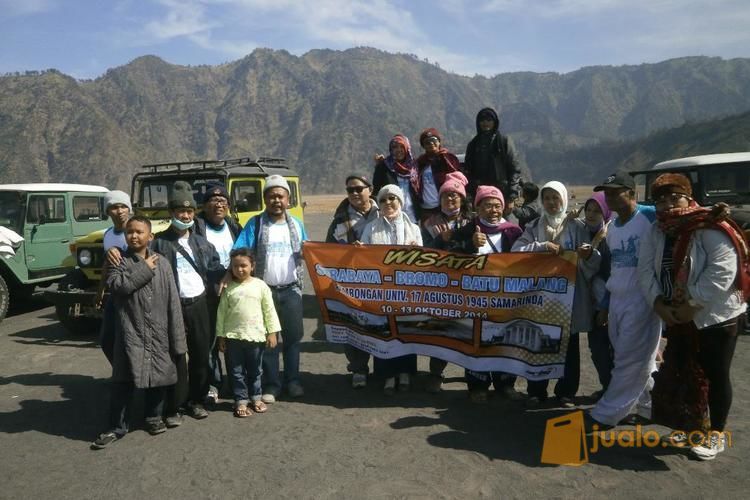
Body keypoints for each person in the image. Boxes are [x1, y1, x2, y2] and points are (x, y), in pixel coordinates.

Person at [637, 173, 747, 460]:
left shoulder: (709, 225)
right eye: (661, 200)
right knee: (686, 371)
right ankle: (691, 428)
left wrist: (692, 303)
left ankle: (715, 435)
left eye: (675, 197)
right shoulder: (657, 230)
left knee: (715, 374)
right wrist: (658, 303)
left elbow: (723, 270)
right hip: (677, 314)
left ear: (688, 196)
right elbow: (645, 269)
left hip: (715, 317)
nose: (668, 205)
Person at [91, 216, 186, 449]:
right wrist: (144, 269)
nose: (134, 236)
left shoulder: (162, 263)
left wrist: (178, 337)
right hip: (129, 332)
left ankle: (153, 417)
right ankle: (117, 426)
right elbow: (118, 287)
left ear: (150, 236)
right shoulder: (118, 262)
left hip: (159, 330)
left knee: (158, 377)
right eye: (130, 232)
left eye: (139, 232)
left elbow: (173, 300)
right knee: (123, 380)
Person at [512, 181, 601, 408]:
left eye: (556, 198)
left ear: (564, 199)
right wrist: (541, 246)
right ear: (542, 201)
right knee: (539, 342)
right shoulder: (533, 226)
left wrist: (588, 256)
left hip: (568, 297)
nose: (552, 203)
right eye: (547, 198)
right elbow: (516, 252)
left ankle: (566, 392)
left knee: (569, 346)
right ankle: (536, 390)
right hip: (542, 298)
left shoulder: (577, 226)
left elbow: (591, 262)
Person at [587, 170, 660, 430]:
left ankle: (607, 413)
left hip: (643, 300)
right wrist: (606, 305)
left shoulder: (650, 216)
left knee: (629, 358)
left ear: (632, 193)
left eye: (616, 193)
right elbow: (615, 268)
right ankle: (652, 406)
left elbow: (680, 212)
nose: (610, 198)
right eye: (607, 194)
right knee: (638, 357)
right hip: (618, 298)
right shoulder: (613, 228)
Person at [152, 181, 224, 424]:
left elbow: (216, 271)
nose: (185, 215)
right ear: (171, 213)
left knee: (201, 355)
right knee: (175, 358)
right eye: (180, 211)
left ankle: (196, 401)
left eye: (189, 211)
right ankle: (174, 407)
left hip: (200, 306)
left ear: (194, 213)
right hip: (172, 308)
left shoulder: (203, 244)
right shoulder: (158, 244)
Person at [233, 175, 308, 402]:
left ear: (288, 199)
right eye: (272, 196)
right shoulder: (255, 224)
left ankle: (293, 381)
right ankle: (272, 385)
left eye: (280, 196)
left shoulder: (296, 224)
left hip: (292, 290)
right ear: (265, 199)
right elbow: (240, 252)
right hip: (263, 292)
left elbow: (308, 250)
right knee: (268, 340)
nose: (276, 200)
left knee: (293, 339)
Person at [447, 185, 522, 403]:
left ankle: (505, 384)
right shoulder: (468, 230)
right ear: (478, 207)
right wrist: (469, 246)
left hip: (505, 299)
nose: (494, 210)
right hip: (475, 298)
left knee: (504, 340)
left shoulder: (513, 231)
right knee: (476, 342)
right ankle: (477, 386)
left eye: (497, 205)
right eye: (488, 205)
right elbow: (450, 255)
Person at [359, 184, 421, 394]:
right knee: (383, 332)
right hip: (381, 290)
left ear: (400, 201)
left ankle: (404, 374)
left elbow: (423, 263)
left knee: (404, 330)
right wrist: (360, 252)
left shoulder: (414, 229)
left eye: (392, 198)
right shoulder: (371, 228)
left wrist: (415, 253)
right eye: (384, 199)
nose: (388, 203)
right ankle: (387, 376)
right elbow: (364, 259)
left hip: (406, 290)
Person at [325, 174, 379, 388]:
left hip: (381, 283)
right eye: (350, 190)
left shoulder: (385, 210)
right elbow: (328, 251)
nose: (355, 193)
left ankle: (384, 369)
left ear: (370, 189)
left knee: (380, 324)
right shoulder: (340, 220)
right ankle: (358, 368)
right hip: (352, 282)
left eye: (359, 189)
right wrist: (347, 251)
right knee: (354, 325)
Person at [421, 171, 473, 392]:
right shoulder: (429, 223)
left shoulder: (472, 221)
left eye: (455, 196)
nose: (450, 199)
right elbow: (420, 253)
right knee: (440, 329)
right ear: (439, 199)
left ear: (462, 198)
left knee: (469, 329)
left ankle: (472, 374)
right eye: (445, 196)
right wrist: (438, 241)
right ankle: (435, 373)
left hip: (468, 285)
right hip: (439, 285)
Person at [193, 182, 243, 406]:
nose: (218, 205)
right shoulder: (196, 228)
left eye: (223, 201)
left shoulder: (234, 227)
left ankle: (236, 382)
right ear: (204, 206)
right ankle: (214, 383)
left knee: (234, 338)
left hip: (233, 292)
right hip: (207, 293)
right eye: (213, 201)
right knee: (211, 340)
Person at [216, 248, 281, 417]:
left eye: (244, 265)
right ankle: (241, 400)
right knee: (236, 371)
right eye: (235, 266)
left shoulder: (261, 286)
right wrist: (221, 336)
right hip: (233, 337)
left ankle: (256, 397)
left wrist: (272, 332)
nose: (240, 269)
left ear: (252, 266)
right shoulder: (228, 288)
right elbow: (221, 312)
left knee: (255, 370)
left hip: (256, 337)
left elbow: (269, 310)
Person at [581, 192, 614, 399]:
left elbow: (613, 274)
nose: (591, 215)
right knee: (597, 348)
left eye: (597, 211)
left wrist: (605, 307)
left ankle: (617, 393)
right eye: (588, 210)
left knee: (613, 349)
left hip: (608, 304)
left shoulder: (610, 237)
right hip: (591, 303)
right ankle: (607, 388)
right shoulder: (584, 233)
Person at [96, 190, 132, 364]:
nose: (120, 211)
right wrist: (101, 290)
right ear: (107, 211)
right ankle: (120, 373)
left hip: (133, 292)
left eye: (123, 206)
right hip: (115, 293)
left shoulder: (136, 231)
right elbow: (107, 264)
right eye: (114, 207)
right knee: (107, 339)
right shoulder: (108, 234)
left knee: (131, 339)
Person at [463, 107, 522, 204]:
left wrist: (512, 193)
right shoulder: (473, 144)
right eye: (482, 120)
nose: (485, 122)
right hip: (480, 193)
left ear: (495, 122)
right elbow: (468, 171)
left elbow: (514, 168)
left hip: (503, 192)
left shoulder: (503, 142)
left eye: (489, 120)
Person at [415, 128, 461, 223]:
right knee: (428, 235)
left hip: (444, 206)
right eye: (427, 142)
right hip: (426, 209)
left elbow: (459, 179)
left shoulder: (448, 159)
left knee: (444, 235)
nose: (431, 143)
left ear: (439, 142)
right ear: (423, 146)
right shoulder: (420, 163)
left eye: (434, 140)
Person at [372, 134, 419, 223]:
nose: (398, 150)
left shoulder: (414, 166)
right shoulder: (384, 166)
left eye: (401, 146)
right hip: (391, 215)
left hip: (412, 216)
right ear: (391, 150)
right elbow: (376, 189)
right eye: (395, 147)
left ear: (407, 148)